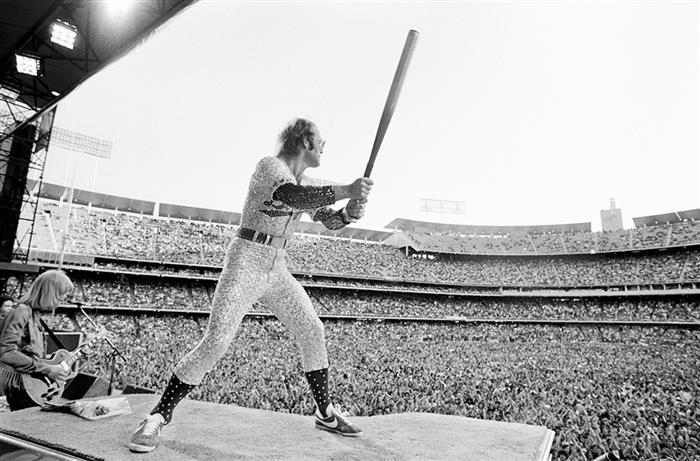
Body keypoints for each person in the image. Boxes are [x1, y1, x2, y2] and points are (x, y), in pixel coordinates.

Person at [129, 118, 374, 452]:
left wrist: (349, 214)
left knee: (312, 329)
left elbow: (329, 221)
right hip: (247, 258)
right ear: (304, 141)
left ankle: (325, 412)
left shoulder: (309, 180)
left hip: (277, 264)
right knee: (216, 341)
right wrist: (346, 190)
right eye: (321, 141)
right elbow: (293, 197)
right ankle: (157, 415)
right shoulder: (269, 167)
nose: (324, 148)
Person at [0, 270, 74, 411]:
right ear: (49, 294)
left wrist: (53, 365)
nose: (61, 301)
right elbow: (6, 352)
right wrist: (48, 369)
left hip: (26, 385)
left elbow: (29, 353)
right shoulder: (22, 312)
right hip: (17, 387)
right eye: (60, 296)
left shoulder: (35, 316)